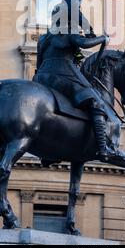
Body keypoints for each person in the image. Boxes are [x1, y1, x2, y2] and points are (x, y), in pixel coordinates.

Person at [33, 8, 115, 161]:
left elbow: (39, 62)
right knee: (96, 103)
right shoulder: (69, 33)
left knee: (59, 108)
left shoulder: (44, 38)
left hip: (42, 77)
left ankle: (50, 150)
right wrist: (103, 38)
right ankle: (104, 148)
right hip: (63, 73)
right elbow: (83, 43)